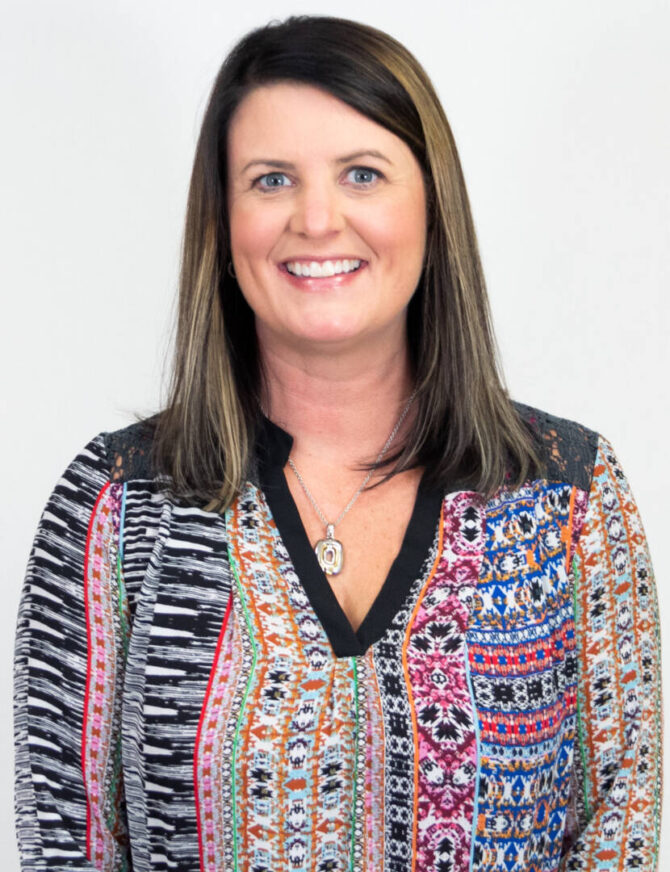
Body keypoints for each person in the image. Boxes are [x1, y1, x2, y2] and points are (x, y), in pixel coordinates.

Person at [14, 15, 662, 872]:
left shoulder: (569, 500)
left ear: (432, 207)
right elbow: (66, 839)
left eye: (363, 174)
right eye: (271, 179)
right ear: (222, 220)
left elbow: (622, 823)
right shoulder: (116, 507)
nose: (317, 220)